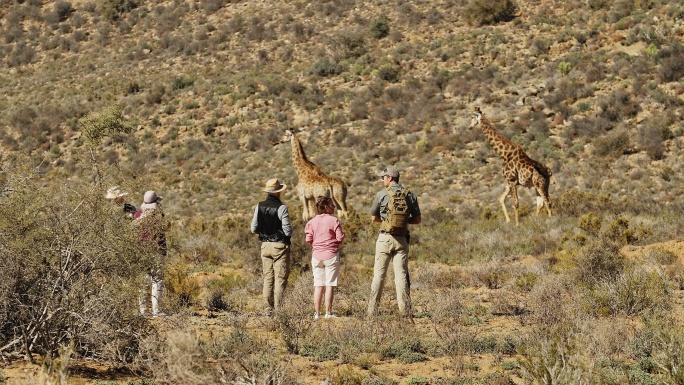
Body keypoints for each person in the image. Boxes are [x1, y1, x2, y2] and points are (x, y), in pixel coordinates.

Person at [367, 166, 421, 318]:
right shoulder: (410, 195)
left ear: (390, 178)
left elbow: (373, 218)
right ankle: (405, 311)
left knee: (379, 275)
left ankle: (372, 311)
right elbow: (417, 219)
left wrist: (387, 221)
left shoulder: (381, 194)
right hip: (402, 239)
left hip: (385, 238)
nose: (382, 180)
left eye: (383, 177)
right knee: (401, 275)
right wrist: (403, 222)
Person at [251, 178, 292, 316]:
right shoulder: (282, 208)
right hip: (279, 246)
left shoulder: (259, 206)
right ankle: (279, 311)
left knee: (268, 278)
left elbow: (253, 228)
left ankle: (268, 310)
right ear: (278, 192)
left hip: (265, 246)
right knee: (280, 279)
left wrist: (265, 232)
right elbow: (287, 231)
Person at [305, 196, 345, 320]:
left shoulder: (311, 222)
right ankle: (328, 312)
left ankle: (316, 314)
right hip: (331, 255)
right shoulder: (334, 220)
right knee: (329, 284)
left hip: (317, 256)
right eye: (332, 205)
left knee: (318, 285)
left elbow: (308, 239)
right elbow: (340, 238)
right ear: (326, 207)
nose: (334, 207)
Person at [134, 190, 167, 317]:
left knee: (144, 281)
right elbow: (167, 228)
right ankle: (156, 311)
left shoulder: (138, 215)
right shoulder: (159, 217)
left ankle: (143, 310)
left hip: (142, 252)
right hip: (158, 251)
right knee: (157, 280)